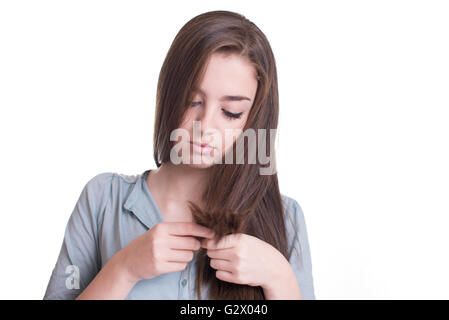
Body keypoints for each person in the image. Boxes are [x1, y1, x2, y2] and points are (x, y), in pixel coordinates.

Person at [43, 10, 316, 300]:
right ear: (170, 95)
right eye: (192, 101)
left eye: (231, 112)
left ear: (253, 119)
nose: (205, 127)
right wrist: (124, 269)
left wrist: (279, 277)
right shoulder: (102, 200)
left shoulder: (285, 218)